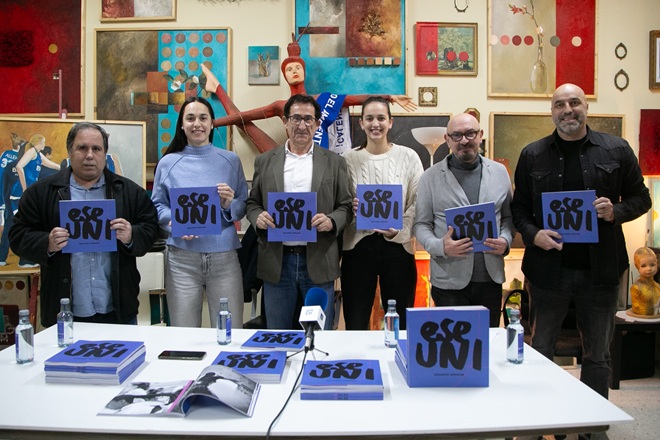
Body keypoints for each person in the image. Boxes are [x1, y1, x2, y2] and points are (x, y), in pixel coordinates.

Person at [511, 83, 651, 399]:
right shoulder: (532, 154)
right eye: (560, 104)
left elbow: (642, 198)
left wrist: (615, 211)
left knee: (598, 355)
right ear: (552, 112)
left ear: (586, 107)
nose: (568, 110)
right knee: (541, 349)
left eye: (574, 103)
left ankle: (594, 421)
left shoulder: (616, 149)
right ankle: (543, 417)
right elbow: (518, 209)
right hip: (548, 272)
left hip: (600, 271)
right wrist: (534, 235)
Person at [9, 122, 159, 327]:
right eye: (82, 148)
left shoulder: (129, 192)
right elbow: (17, 236)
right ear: (70, 151)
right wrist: (47, 243)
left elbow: (152, 229)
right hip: (64, 312)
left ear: (105, 153)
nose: (89, 155)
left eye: (96, 149)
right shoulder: (41, 193)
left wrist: (131, 235)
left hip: (118, 310)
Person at [202, 37, 416, 154]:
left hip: (318, 159)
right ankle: (218, 88)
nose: (294, 71)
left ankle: (217, 87)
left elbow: (357, 99)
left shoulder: (322, 99)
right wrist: (213, 124)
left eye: (298, 67)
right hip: (288, 158)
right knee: (244, 124)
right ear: (284, 76)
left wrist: (390, 97)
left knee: (242, 123)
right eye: (289, 69)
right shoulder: (280, 105)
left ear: (304, 71)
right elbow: (242, 117)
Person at [246, 94, 352, 330]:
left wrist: (332, 221)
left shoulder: (335, 162)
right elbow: (252, 203)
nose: (302, 125)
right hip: (277, 261)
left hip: (318, 259)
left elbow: (346, 206)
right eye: (296, 118)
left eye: (308, 119)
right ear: (285, 122)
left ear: (317, 124)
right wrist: (257, 218)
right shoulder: (265, 161)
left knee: (319, 336)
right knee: (278, 334)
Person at [151, 96, 248, 328]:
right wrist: (174, 221)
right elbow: (157, 206)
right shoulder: (168, 163)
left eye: (203, 118)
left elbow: (244, 204)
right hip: (182, 259)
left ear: (212, 124)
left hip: (224, 257)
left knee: (230, 329)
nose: (197, 124)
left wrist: (228, 204)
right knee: (184, 331)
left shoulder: (231, 160)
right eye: (190, 118)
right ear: (181, 125)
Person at [413, 113, 515, 327]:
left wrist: (505, 240)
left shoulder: (500, 173)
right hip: (448, 282)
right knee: (452, 344)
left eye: (470, 134)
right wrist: (440, 246)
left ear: (480, 135)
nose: (464, 141)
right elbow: (421, 225)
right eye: (457, 135)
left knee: (487, 342)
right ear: (447, 139)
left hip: (490, 279)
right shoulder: (430, 177)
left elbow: (508, 217)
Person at [341, 96, 424, 330]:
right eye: (369, 118)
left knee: (400, 322)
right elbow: (339, 202)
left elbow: (418, 202)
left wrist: (398, 231)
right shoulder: (347, 159)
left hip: (398, 247)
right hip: (357, 248)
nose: (375, 124)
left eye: (381, 118)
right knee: (356, 320)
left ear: (390, 122)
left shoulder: (409, 157)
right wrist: (351, 207)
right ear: (361, 123)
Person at [630, 247, 660, 316]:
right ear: (638, 267)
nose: (649, 269)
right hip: (641, 319)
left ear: (657, 264)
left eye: (652, 265)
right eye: (643, 266)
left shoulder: (658, 286)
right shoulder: (636, 288)